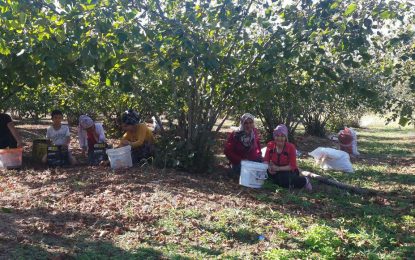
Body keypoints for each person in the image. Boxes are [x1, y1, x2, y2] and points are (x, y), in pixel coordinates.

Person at [263, 124, 312, 190]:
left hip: (288, 170)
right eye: (277, 135)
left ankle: (305, 180)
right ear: (274, 136)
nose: (279, 138)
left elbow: (292, 166)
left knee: (283, 180)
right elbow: (266, 160)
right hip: (274, 169)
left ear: (286, 137)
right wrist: (269, 168)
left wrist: (278, 168)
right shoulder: (270, 145)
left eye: (282, 136)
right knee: (263, 173)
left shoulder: (291, 147)